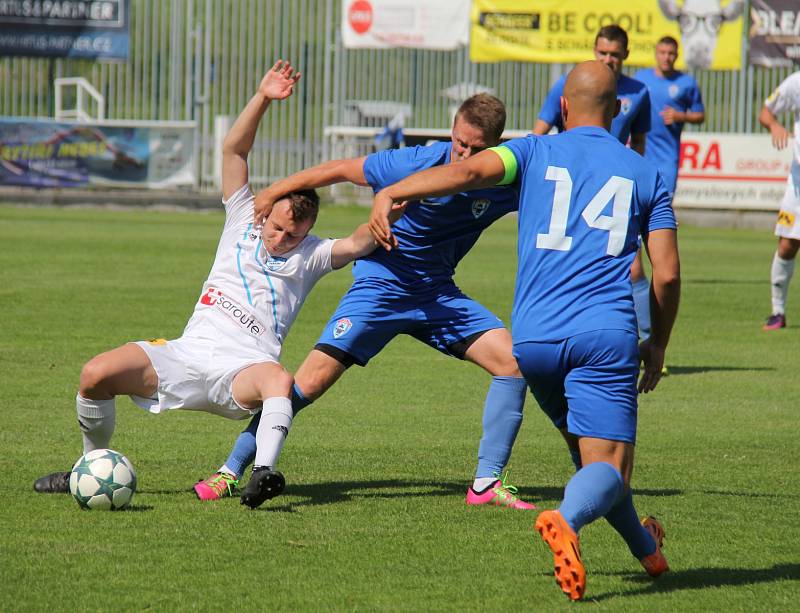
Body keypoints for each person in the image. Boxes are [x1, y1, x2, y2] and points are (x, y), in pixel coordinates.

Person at [368, 61, 680, 601]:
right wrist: (658, 344)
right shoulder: (644, 172)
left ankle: (648, 553)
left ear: (563, 106)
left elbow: (464, 173)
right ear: (620, 110)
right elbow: (667, 273)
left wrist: (393, 192)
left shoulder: (532, 151)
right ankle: (565, 521)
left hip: (533, 342)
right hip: (603, 336)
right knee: (607, 468)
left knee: (597, 468)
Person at [32, 61, 395, 509]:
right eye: (277, 227)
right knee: (95, 374)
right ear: (267, 211)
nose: (281, 239)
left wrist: (395, 199)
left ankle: (263, 472)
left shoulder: (315, 254)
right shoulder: (245, 215)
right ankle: (88, 468)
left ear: (309, 231)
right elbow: (233, 153)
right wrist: (262, 97)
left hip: (241, 370)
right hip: (186, 354)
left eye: (293, 234)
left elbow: (362, 240)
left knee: (280, 379)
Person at [193, 93, 536, 510]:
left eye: (477, 148)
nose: (464, 154)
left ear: (495, 145)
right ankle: (230, 472)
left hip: (438, 295)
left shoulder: (505, 181)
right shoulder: (415, 163)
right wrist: (275, 191)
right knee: (305, 385)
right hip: (381, 287)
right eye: (460, 143)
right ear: (452, 130)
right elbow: (339, 169)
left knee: (513, 364)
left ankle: (486, 484)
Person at [534, 24, 655, 342]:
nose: (608, 59)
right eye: (602, 52)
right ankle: (560, 332)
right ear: (593, 50)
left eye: (615, 54)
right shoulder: (570, 83)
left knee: (634, 268)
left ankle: (644, 340)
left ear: (626, 55)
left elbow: (639, 142)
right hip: (572, 186)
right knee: (563, 257)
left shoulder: (638, 92)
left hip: (611, 188)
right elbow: (539, 132)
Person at [633, 35, 704, 340]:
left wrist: (682, 116)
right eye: (662, 52)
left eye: (671, 53)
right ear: (655, 53)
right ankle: (644, 331)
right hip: (637, 165)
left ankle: (649, 334)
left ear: (677, 55)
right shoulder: (640, 80)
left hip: (666, 169)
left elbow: (700, 114)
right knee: (632, 261)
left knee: (652, 247)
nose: (666, 57)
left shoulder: (686, 83)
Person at [758, 70, 800, 330]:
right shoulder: (796, 82)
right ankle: (778, 311)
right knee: (787, 245)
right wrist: (775, 125)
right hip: (799, 183)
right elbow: (766, 111)